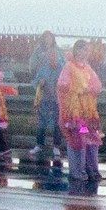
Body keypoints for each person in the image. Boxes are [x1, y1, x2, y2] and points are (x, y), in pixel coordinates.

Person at [60, 38, 105, 193]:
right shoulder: (69, 67)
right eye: (83, 49)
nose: (85, 53)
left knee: (89, 138)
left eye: (87, 50)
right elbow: (63, 85)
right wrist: (79, 90)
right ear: (76, 50)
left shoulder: (87, 68)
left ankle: (91, 169)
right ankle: (77, 171)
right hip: (76, 112)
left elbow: (98, 85)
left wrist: (88, 90)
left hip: (88, 111)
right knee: (78, 138)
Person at [31, 31, 66, 170]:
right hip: (45, 100)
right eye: (50, 56)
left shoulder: (62, 69)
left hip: (57, 101)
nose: (52, 58)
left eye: (55, 56)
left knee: (58, 124)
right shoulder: (43, 69)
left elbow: (66, 84)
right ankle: (39, 144)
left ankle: (56, 146)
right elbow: (35, 82)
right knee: (41, 123)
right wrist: (40, 82)